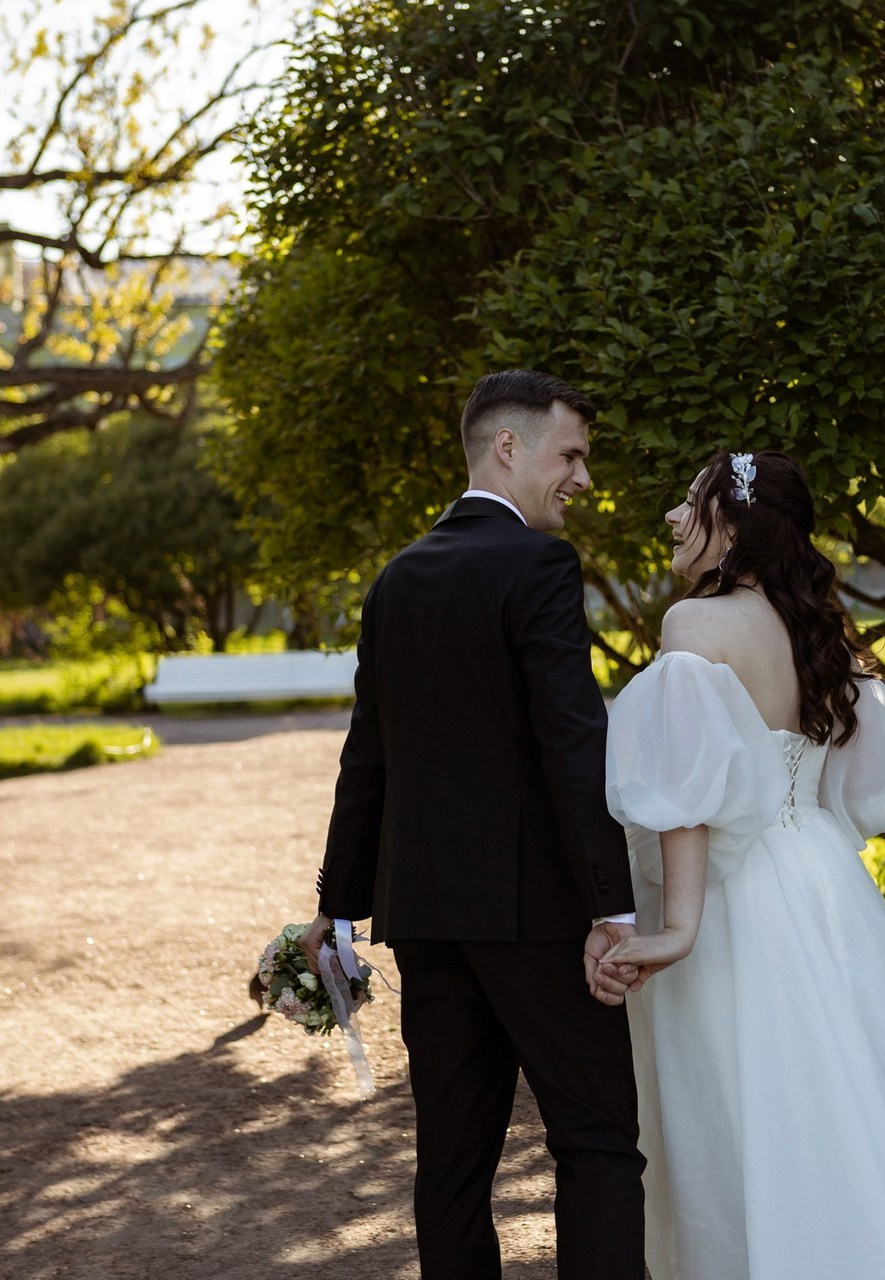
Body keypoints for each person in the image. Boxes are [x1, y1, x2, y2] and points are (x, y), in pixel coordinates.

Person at [591, 449, 885, 1279]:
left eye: (689, 501)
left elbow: (691, 792)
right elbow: (873, 780)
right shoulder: (812, 627)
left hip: (736, 901)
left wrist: (680, 927)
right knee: (855, 1100)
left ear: (733, 525)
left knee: (744, 1112)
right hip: (820, 877)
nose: (672, 517)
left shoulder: (695, 625)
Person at [300, 370, 646, 1280]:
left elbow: (365, 756)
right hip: (537, 919)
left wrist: (337, 911)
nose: (581, 479)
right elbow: (572, 740)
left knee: (451, 1166)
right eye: (570, 455)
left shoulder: (397, 578)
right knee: (598, 1144)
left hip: (425, 917)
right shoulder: (537, 564)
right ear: (508, 446)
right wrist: (615, 907)